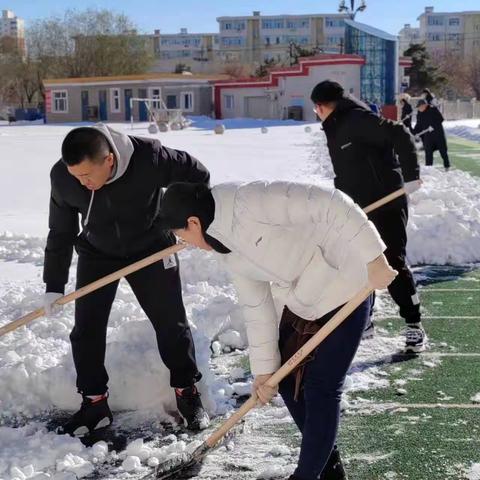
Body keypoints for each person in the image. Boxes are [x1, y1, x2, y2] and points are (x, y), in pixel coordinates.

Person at [159, 180, 397, 480]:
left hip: (349, 280)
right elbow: (256, 306)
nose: (185, 243)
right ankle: (329, 471)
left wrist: (374, 257)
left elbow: (332, 202)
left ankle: (307, 474)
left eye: (182, 235)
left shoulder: (253, 200)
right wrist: (263, 372)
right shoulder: (224, 248)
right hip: (306, 295)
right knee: (284, 379)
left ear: (194, 222)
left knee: (321, 387)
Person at [42, 124, 210, 436]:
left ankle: (187, 392)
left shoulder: (150, 158)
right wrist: (53, 286)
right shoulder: (63, 177)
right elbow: (61, 232)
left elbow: (198, 175)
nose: (83, 184)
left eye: (87, 176)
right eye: (76, 177)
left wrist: (182, 221)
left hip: (151, 248)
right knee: (86, 329)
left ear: (108, 160)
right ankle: (94, 403)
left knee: (171, 322)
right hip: (98, 252)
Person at [310, 80, 426, 352]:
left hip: (386, 203)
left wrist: (410, 176)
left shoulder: (356, 119)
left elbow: (399, 133)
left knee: (392, 263)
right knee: (360, 262)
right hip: (360, 208)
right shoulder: (336, 126)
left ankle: (414, 325)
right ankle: (366, 321)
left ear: (321, 106)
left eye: (316, 109)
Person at [413, 99, 451, 171]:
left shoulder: (433, 109)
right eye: (418, 107)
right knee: (428, 152)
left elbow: (440, 119)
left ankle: (447, 166)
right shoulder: (420, 113)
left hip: (438, 134)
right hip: (428, 136)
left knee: (443, 151)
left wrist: (433, 126)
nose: (418, 108)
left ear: (424, 105)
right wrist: (414, 132)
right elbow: (418, 125)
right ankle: (429, 168)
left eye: (419, 107)